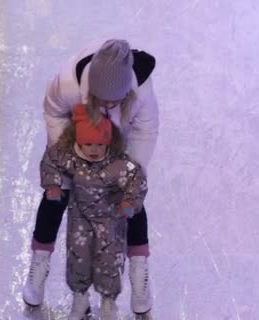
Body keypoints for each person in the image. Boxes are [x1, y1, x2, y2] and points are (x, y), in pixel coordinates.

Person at [22, 39, 158, 315]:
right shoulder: (68, 83)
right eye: (102, 98)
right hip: (78, 141)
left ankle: (138, 271)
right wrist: (69, 158)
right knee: (55, 194)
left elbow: (146, 131)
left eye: (115, 100)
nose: (108, 103)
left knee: (131, 199)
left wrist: (130, 173)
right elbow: (53, 112)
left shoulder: (141, 91)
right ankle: (39, 263)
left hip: (118, 146)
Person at [41, 104, 147, 319]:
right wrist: (52, 185)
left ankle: (108, 302)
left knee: (109, 259)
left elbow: (136, 181)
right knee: (78, 256)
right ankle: (80, 299)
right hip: (80, 219)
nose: (94, 149)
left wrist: (129, 202)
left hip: (110, 220)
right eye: (88, 143)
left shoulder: (117, 163)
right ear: (79, 140)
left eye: (100, 144)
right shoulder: (72, 158)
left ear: (108, 141)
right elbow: (51, 160)